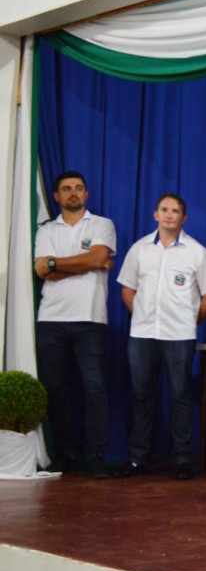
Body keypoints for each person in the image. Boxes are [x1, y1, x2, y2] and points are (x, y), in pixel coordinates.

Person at [115, 193, 206, 480]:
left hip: (179, 335)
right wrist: (140, 314)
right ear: (155, 214)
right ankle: (138, 458)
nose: (169, 215)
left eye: (175, 211)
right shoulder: (140, 250)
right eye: (164, 209)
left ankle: (183, 460)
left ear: (184, 218)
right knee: (141, 396)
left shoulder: (196, 252)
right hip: (142, 334)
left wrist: (192, 320)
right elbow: (127, 288)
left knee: (179, 396)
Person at [33, 171, 116, 478]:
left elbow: (96, 260)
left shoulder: (102, 225)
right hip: (51, 319)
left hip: (90, 319)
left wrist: (58, 262)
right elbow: (44, 271)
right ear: (56, 196)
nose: (73, 193)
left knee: (94, 389)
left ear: (86, 194)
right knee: (57, 390)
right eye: (66, 189)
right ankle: (66, 454)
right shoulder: (45, 230)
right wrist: (85, 262)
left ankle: (95, 456)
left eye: (79, 188)